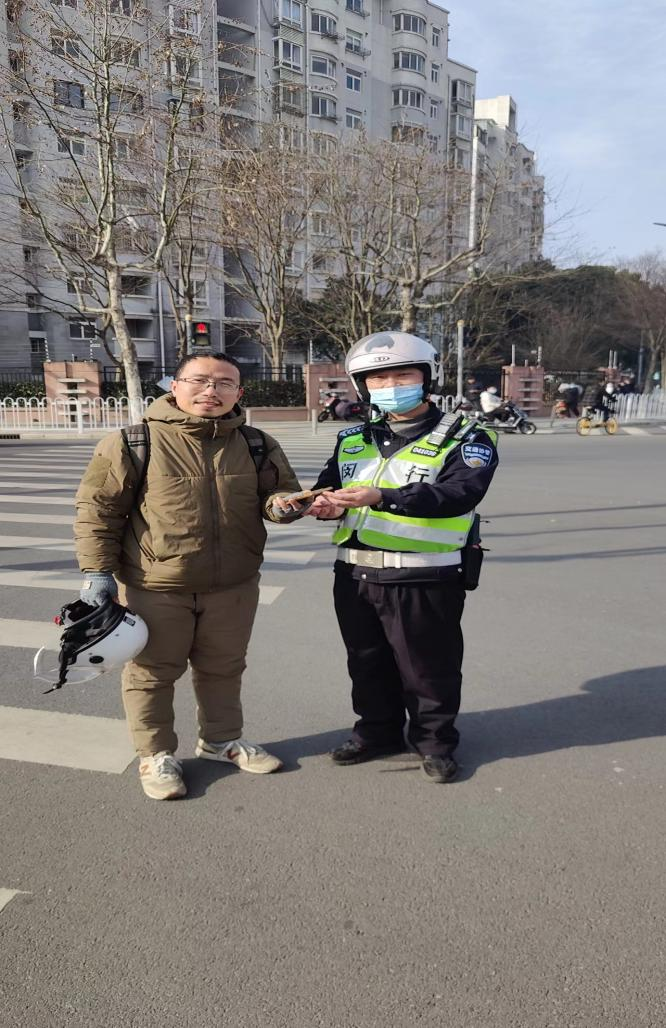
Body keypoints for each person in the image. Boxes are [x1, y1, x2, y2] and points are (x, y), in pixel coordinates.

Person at [74, 353, 308, 800]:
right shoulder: (132, 441)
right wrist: (96, 572)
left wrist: (284, 507)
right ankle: (155, 754)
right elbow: (98, 512)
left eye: (224, 383)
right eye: (199, 380)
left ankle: (221, 740)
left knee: (224, 668)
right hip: (157, 585)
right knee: (152, 673)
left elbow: (278, 494)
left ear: (239, 393)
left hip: (234, 585)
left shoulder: (257, 443)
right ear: (174, 386)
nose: (211, 390)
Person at [279, 333, 499, 784]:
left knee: (427, 668)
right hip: (354, 573)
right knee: (365, 662)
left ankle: (434, 742)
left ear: (427, 377)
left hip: (424, 576)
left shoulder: (467, 437)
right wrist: (324, 505)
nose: (390, 385)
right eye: (377, 378)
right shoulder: (352, 439)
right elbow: (330, 489)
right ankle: (376, 732)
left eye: (402, 375)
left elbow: (459, 494)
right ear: (363, 386)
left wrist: (383, 496)